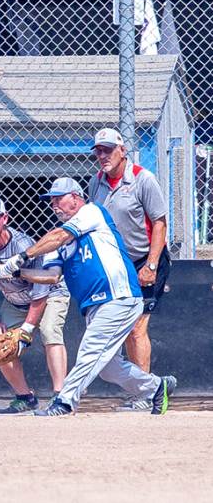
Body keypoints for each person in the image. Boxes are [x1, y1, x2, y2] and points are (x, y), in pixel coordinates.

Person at [0, 178, 176, 416]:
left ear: (77, 198)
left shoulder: (91, 212)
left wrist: (21, 257)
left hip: (117, 296)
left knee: (89, 350)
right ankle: (156, 387)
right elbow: (50, 276)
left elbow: (58, 236)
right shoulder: (59, 242)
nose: (54, 205)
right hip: (94, 305)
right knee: (108, 368)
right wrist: (14, 272)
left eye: (59, 199)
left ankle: (65, 402)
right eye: (51, 201)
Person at [88, 128, 170, 411]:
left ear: (123, 150)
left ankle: (147, 395)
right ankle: (144, 389)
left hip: (144, 260)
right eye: (98, 150)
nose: (102, 156)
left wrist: (151, 264)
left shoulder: (143, 179)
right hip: (114, 266)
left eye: (108, 149)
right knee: (120, 330)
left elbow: (159, 223)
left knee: (136, 328)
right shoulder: (95, 182)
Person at [0, 195, 69, 414]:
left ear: (5, 218)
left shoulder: (23, 245)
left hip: (49, 294)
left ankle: (62, 397)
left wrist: (27, 329)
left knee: (50, 332)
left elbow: (41, 289)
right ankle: (25, 397)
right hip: (15, 299)